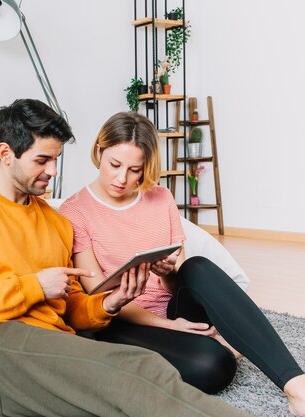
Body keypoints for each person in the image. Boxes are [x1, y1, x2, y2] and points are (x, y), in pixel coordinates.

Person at [0, 98, 252, 417]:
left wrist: (110, 303)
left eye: (56, 159)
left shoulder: (55, 222)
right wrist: (33, 286)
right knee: (129, 376)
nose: (52, 171)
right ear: (6, 153)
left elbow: (73, 307)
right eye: (41, 160)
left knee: (139, 370)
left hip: (54, 342)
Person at [59, 111, 305, 416]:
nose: (122, 178)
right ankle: (229, 345)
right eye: (114, 165)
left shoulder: (160, 198)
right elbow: (99, 296)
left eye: (135, 169)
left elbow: (180, 280)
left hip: (174, 309)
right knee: (213, 366)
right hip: (122, 322)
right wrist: (170, 325)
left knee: (198, 266)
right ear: (98, 151)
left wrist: (168, 274)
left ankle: (297, 386)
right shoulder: (74, 211)